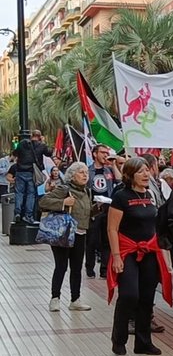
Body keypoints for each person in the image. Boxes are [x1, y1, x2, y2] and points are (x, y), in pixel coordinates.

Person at [106, 156, 172, 356]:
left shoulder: (150, 194)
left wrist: (165, 256)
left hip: (149, 251)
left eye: (147, 170)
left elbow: (156, 226)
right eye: (141, 171)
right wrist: (116, 256)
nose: (146, 174)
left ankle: (143, 342)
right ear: (130, 175)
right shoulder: (121, 196)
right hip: (128, 251)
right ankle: (119, 338)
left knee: (146, 297)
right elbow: (112, 228)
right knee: (129, 295)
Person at [39, 162, 93, 312]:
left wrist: (97, 209)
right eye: (81, 172)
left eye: (86, 172)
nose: (85, 175)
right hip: (63, 233)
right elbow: (43, 201)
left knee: (76, 268)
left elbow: (84, 213)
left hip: (80, 233)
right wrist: (63, 202)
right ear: (72, 175)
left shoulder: (87, 192)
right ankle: (54, 298)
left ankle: (75, 299)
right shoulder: (64, 189)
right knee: (61, 266)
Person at [85, 145, 118, 278]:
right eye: (103, 152)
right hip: (94, 208)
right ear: (94, 154)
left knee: (107, 239)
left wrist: (114, 164)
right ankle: (89, 267)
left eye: (107, 152)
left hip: (108, 207)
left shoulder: (109, 170)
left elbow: (120, 179)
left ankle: (104, 269)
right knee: (92, 240)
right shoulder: (88, 171)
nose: (105, 155)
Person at [12, 129, 55, 224]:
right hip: (32, 172)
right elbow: (49, 153)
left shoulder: (23, 143)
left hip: (20, 171)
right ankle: (28, 216)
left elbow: (15, 153)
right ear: (40, 136)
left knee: (19, 193)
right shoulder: (41, 145)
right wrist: (43, 142)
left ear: (31, 135)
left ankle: (17, 213)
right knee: (31, 194)